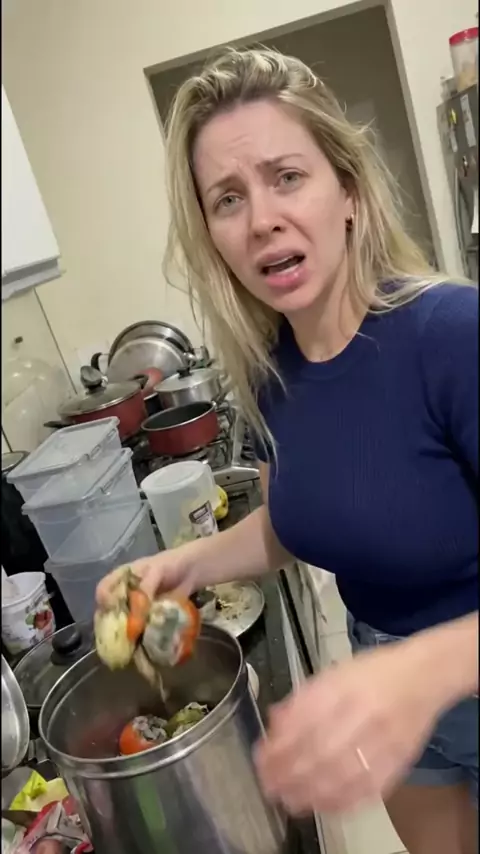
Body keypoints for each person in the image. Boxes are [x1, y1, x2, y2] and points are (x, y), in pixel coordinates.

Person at [97, 47, 478, 854]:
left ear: (348, 191)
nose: (261, 218)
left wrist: (426, 669)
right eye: (228, 198)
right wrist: (185, 564)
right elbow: (294, 522)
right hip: (385, 678)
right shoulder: (269, 375)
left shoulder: (452, 336)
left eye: (287, 177)